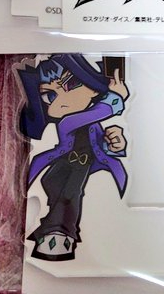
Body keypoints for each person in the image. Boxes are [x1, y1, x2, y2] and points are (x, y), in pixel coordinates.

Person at [18, 54, 128, 262]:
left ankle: (65, 240)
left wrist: (114, 145)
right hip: (64, 170)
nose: (61, 100)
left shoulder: (92, 122)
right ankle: (55, 244)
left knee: (78, 199)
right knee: (67, 200)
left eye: (70, 85)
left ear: (92, 85)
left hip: (88, 169)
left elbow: (98, 145)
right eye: (49, 95)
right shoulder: (67, 122)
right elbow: (97, 113)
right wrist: (115, 97)